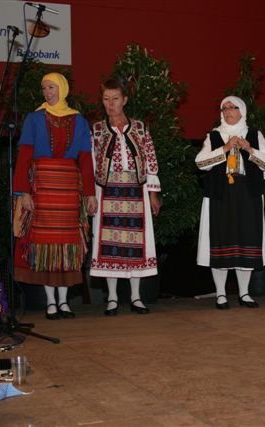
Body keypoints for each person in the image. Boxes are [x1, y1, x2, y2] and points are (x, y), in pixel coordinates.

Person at [13, 72, 97, 320]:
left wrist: (90, 194)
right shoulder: (34, 118)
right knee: (45, 246)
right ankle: (51, 302)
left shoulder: (79, 120)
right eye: (44, 88)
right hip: (42, 187)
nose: (47, 92)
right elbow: (24, 156)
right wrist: (23, 192)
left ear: (62, 89)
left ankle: (64, 302)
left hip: (69, 190)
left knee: (68, 247)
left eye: (51, 87)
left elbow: (85, 159)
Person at [90, 78, 162, 315]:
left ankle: (135, 297)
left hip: (135, 189)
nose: (110, 104)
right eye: (106, 99)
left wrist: (153, 194)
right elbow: (91, 163)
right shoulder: (97, 130)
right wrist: (91, 195)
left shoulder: (140, 128)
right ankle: (112, 297)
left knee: (135, 242)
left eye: (115, 99)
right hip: (107, 190)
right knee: (109, 243)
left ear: (125, 100)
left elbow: (150, 160)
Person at [195, 96, 265, 309]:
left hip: (247, 195)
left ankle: (244, 293)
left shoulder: (254, 134)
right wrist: (225, 148)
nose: (228, 111)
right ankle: (221, 294)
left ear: (242, 111)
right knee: (220, 241)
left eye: (233, 107)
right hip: (221, 195)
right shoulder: (214, 136)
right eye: (225, 108)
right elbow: (201, 163)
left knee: (246, 240)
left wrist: (249, 149)